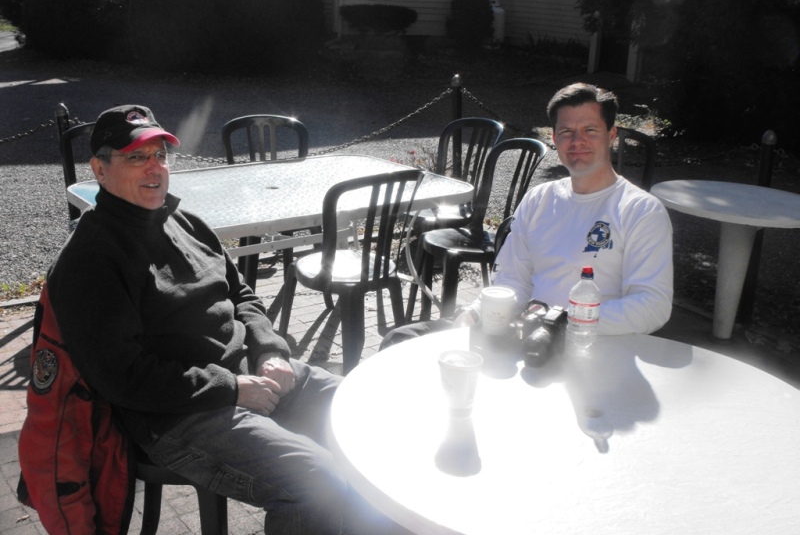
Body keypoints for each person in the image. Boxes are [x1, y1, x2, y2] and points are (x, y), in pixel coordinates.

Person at [44, 105, 402, 534]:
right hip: (177, 413)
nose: (154, 168)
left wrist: (269, 350)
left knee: (370, 415)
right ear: (99, 169)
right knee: (315, 483)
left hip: (251, 374)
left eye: (160, 155)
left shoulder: (184, 222)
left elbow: (242, 294)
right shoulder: (92, 258)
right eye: (136, 157)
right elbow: (122, 377)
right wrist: (231, 388)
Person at [383, 82, 673, 346]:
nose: (577, 141)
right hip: (523, 333)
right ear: (554, 138)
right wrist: (474, 314)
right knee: (400, 340)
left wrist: (560, 320)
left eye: (590, 130)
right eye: (566, 132)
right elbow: (513, 280)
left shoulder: (640, 210)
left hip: (587, 345)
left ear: (611, 136)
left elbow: (652, 306)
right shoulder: (540, 199)